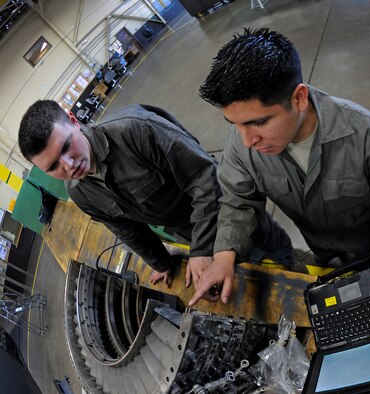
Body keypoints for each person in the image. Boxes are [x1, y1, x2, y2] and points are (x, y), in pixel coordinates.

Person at [194, 28, 370, 319]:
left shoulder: (364, 133)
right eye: (235, 124)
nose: (246, 140)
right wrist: (223, 257)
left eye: (259, 122)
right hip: (320, 247)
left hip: (369, 244)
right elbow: (238, 201)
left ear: (299, 98)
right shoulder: (242, 147)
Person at [18, 101, 292, 294]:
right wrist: (161, 263)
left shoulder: (137, 130)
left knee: (284, 263)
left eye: (67, 146)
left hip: (230, 212)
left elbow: (206, 178)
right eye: (53, 166)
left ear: (74, 122)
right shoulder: (79, 192)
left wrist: (201, 250)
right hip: (189, 231)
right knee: (256, 281)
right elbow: (128, 230)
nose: (68, 165)